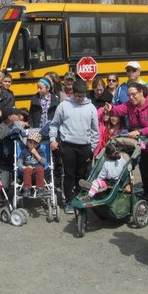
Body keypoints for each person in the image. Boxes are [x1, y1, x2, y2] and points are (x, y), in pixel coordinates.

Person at [105, 82, 148, 203]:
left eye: (133, 94)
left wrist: (139, 131)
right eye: (128, 95)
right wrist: (112, 108)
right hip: (144, 141)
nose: (131, 97)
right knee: (145, 167)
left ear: (141, 92)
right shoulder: (130, 104)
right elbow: (120, 109)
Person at [49, 79, 99, 214]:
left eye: (82, 96)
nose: (80, 99)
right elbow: (54, 124)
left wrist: (93, 148)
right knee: (69, 174)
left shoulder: (91, 107)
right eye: (77, 96)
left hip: (85, 147)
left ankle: (79, 196)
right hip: (68, 146)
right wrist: (53, 139)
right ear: (72, 93)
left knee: (82, 175)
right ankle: (69, 201)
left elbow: (95, 131)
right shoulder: (64, 106)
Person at [18, 131, 46, 197]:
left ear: (38, 144)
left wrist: (36, 154)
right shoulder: (24, 151)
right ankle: (27, 189)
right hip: (28, 168)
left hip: (38, 168)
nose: (32, 145)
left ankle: (40, 188)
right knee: (27, 170)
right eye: (30, 142)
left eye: (35, 143)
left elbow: (44, 162)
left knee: (40, 169)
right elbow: (19, 163)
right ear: (27, 142)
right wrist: (24, 167)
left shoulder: (40, 151)